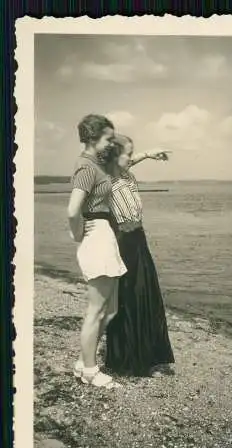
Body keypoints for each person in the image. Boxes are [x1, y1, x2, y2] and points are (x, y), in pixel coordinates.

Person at [86, 135, 175, 376]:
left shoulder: (126, 175)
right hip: (123, 242)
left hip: (138, 239)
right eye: (128, 153)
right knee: (129, 297)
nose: (131, 157)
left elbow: (128, 162)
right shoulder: (107, 176)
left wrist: (147, 154)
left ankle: (149, 358)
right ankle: (126, 361)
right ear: (114, 157)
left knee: (147, 295)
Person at [67, 114, 127, 389]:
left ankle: (83, 361)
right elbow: (72, 209)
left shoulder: (98, 165)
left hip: (105, 234)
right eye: (107, 139)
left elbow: (123, 163)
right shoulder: (86, 167)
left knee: (110, 310)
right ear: (92, 139)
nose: (111, 144)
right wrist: (78, 232)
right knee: (96, 310)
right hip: (97, 236)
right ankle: (90, 370)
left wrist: (147, 155)